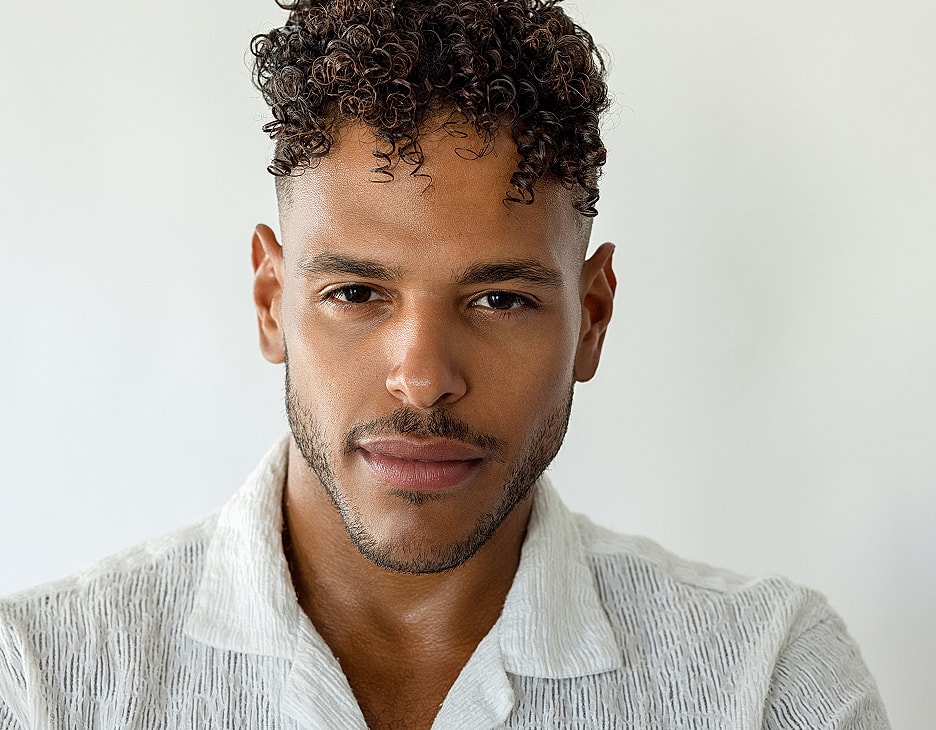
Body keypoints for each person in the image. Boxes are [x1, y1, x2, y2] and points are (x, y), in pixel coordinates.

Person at [0, 1, 889, 727]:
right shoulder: (41, 682)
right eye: (356, 293)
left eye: (499, 299)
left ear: (594, 318)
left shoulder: (765, 681)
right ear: (272, 300)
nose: (423, 379)